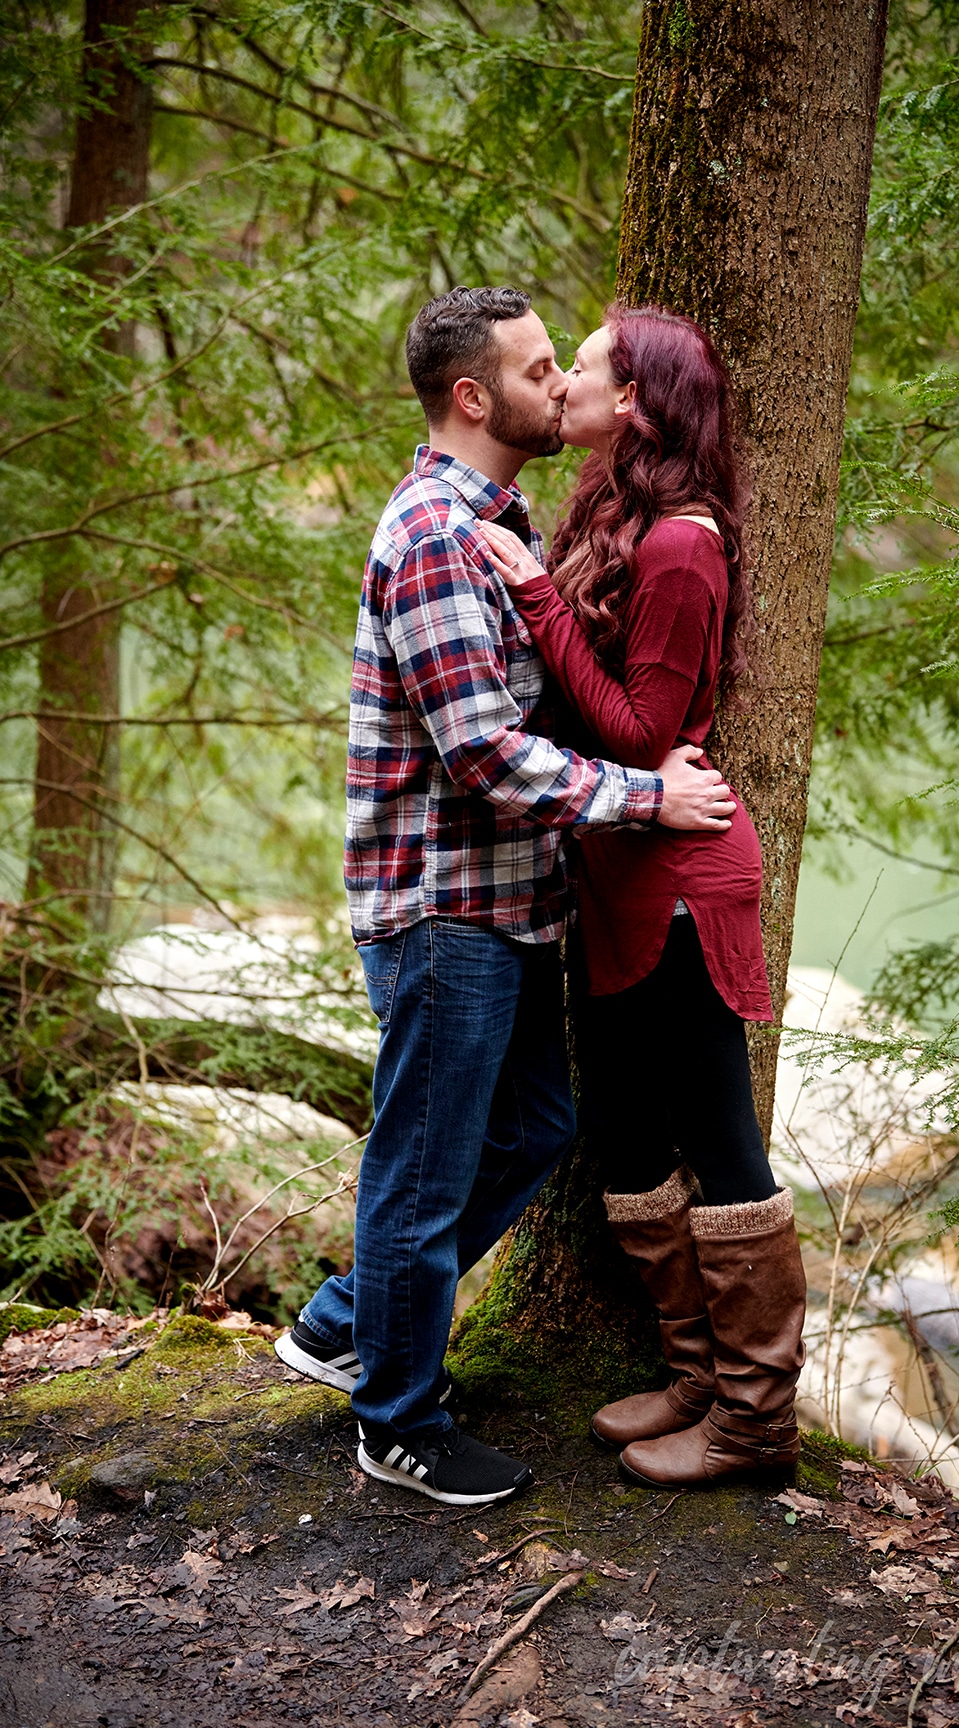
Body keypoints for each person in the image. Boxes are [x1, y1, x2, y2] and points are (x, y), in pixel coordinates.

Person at [275, 286, 737, 1508]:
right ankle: (397, 1421)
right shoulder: (432, 532)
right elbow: (483, 750)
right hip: (445, 909)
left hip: (513, 900)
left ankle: (338, 1326)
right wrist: (648, 800)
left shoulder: (507, 514)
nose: (566, 388)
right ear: (473, 397)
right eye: (543, 370)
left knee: (532, 1130)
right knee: (421, 1178)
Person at [477, 304, 807, 1491]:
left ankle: (756, 1425)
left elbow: (639, 735)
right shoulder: (618, 515)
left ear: (639, 407)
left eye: (589, 366)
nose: (562, 380)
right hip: (612, 874)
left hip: (680, 878)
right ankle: (696, 1373)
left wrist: (537, 603)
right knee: (620, 1133)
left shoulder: (683, 545)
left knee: (717, 1135)